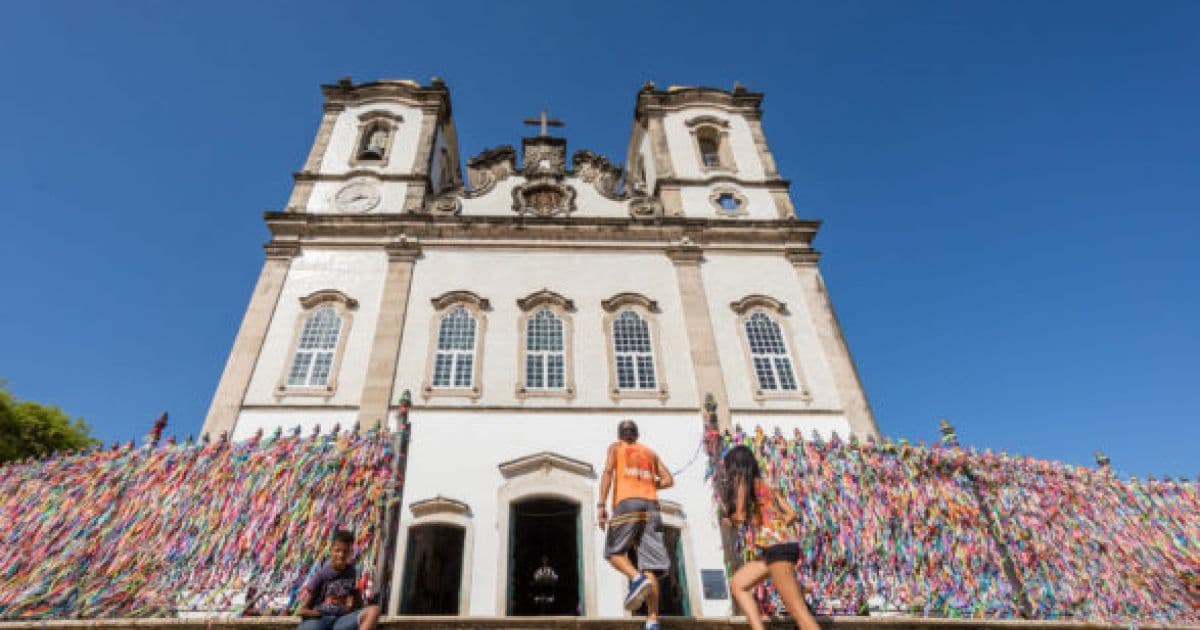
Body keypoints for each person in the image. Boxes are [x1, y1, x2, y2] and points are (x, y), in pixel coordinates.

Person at [720, 445, 820, 630]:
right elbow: (792, 515)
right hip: (779, 547)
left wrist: (729, 519)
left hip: (776, 548)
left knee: (800, 614)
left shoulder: (743, 483)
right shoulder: (768, 485)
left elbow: (739, 516)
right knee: (738, 584)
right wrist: (774, 519)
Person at [597, 419, 673, 630]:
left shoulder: (616, 448)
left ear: (621, 434)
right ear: (636, 434)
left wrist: (601, 506)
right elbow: (668, 480)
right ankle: (652, 619)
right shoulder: (650, 453)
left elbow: (607, 474)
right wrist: (648, 483)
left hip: (627, 503)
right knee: (651, 565)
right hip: (651, 506)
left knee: (613, 552)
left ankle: (636, 579)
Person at [296, 530, 380, 630]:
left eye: (346, 551)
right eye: (337, 550)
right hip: (320, 620)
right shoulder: (322, 575)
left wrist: (356, 604)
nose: (341, 555)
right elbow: (302, 610)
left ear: (351, 552)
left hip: (341, 620)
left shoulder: (351, 572)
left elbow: (355, 597)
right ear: (331, 550)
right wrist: (318, 614)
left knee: (374, 610)